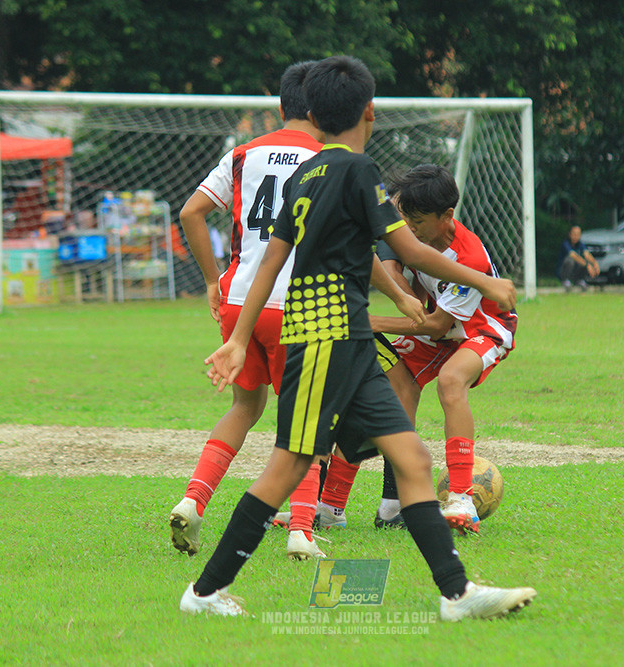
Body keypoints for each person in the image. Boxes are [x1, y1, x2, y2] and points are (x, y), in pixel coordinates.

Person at [180, 55, 536, 620]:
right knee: (288, 469)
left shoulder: (308, 174)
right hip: (322, 340)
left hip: (345, 342)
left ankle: (457, 595)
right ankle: (203, 594)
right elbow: (413, 252)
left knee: (414, 460)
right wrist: (485, 281)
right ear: (370, 111)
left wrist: (240, 334)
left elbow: (274, 262)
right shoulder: (356, 171)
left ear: (312, 112)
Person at [169, 61, 332, 560]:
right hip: (297, 304)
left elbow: (190, 211)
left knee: (245, 406)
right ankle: (301, 529)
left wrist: (212, 280)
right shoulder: (329, 159)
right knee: (306, 417)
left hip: (241, 301)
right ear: (320, 107)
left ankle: (193, 500)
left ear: (281, 106)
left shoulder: (243, 153)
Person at [313, 164, 517, 534]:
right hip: (434, 325)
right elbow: (390, 262)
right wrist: (400, 289)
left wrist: (371, 322)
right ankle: (336, 507)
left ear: (447, 217)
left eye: (417, 221)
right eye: (401, 218)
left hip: (480, 328)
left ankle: (461, 498)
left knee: (451, 381)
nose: (406, 228)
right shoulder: (408, 230)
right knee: (382, 397)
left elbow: (439, 325)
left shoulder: (466, 258)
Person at [556, 225, 599, 291]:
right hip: (563, 271)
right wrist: (587, 265)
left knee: (583, 261)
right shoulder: (566, 244)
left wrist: (594, 263)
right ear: (570, 234)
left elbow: (587, 255)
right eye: (574, 234)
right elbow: (573, 255)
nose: (576, 236)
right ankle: (565, 280)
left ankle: (579, 280)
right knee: (571, 260)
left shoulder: (581, 244)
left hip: (574, 271)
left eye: (578, 234)